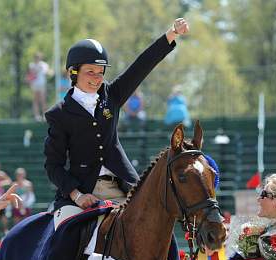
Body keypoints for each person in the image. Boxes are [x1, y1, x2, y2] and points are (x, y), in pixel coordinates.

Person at [44, 18, 190, 211]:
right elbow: (53, 166)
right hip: (84, 192)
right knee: (63, 237)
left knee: (160, 227)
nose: (97, 79)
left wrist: (171, 34)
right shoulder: (59, 114)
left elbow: (141, 66)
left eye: (100, 72)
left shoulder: (111, 95)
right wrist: (76, 195)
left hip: (125, 187)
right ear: (73, 72)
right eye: (90, 72)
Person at [27, 52, 52, 121]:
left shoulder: (44, 65)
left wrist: (50, 72)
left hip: (42, 84)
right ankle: (37, 116)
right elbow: (32, 73)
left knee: (43, 100)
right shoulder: (31, 65)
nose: (37, 59)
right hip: (34, 84)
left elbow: (47, 72)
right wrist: (37, 69)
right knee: (35, 100)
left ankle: (44, 115)